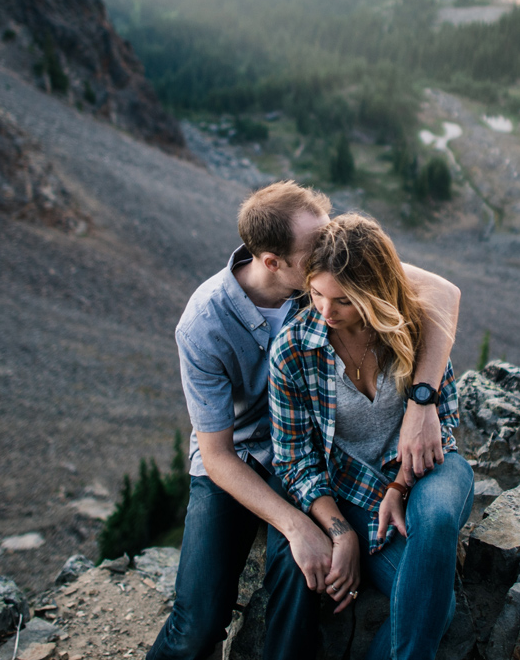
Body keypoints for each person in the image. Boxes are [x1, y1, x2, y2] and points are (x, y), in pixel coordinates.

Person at [148, 183, 460, 660]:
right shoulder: (204, 323)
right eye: (315, 249)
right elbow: (216, 456)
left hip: (315, 453)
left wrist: (423, 403)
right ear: (273, 263)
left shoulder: (329, 278)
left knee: (300, 582)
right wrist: (302, 526)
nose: (329, 250)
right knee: (198, 622)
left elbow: (440, 292)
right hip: (244, 458)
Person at [270, 213, 474, 660]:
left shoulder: (415, 326)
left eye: (342, 301)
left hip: (428, 472)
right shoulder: (292, 350)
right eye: (317, 294)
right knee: (434, 606)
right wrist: (340, 532)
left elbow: (445, 416)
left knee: (437, 519)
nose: (325, 311)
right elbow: (295, 461)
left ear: (374, 293)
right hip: (355, 497)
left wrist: (401, 486)